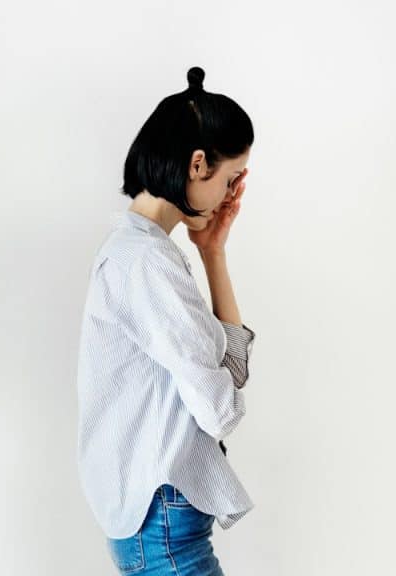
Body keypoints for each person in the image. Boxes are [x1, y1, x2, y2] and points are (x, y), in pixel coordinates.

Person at [77, 67, 256, 575]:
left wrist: (213, 252)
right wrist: (221, 379)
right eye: (229, 179)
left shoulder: (142, 251)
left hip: (156, 513)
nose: (229, 195)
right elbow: (221, 409)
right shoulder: (147, 263)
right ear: (197, 164)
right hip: (163, 517)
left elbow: (230, 372)